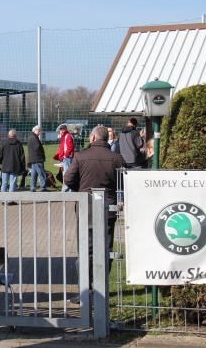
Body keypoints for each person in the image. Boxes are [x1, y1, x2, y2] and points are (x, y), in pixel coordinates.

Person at [63, 126, 125, 302]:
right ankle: (101, 288)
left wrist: (81, 191)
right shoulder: (116, 158)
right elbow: (122, 181)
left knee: (85, 251)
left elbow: (68, 179)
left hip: (86, 209)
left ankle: (85, 289)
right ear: (107, 139)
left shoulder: (81, 156)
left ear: (92, 138)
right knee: (106, 249)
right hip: (108, 208)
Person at [55, 124, 74, 191]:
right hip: (65, 158)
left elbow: (69, 147)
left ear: (64, 130)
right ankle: (67, 190)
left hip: (67, 158)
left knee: (67, 174)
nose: (60, 131)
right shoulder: (64, 136)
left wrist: (65, 156)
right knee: (65, 174)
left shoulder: (68, 136)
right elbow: (62, 147)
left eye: (61, 130)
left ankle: (67, 190)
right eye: (60, 130)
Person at [28, 125, 47, 192]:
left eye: (40, 131)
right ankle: (43, 187)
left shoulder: (31, 137)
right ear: (35, 130)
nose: (40, 132)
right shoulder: (34, 138)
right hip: (38, 159)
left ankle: (32, 187)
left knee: (34, 175)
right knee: (41, 174)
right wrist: (42, 156)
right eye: (39, 131)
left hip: (33, 159)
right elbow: (37, 148)